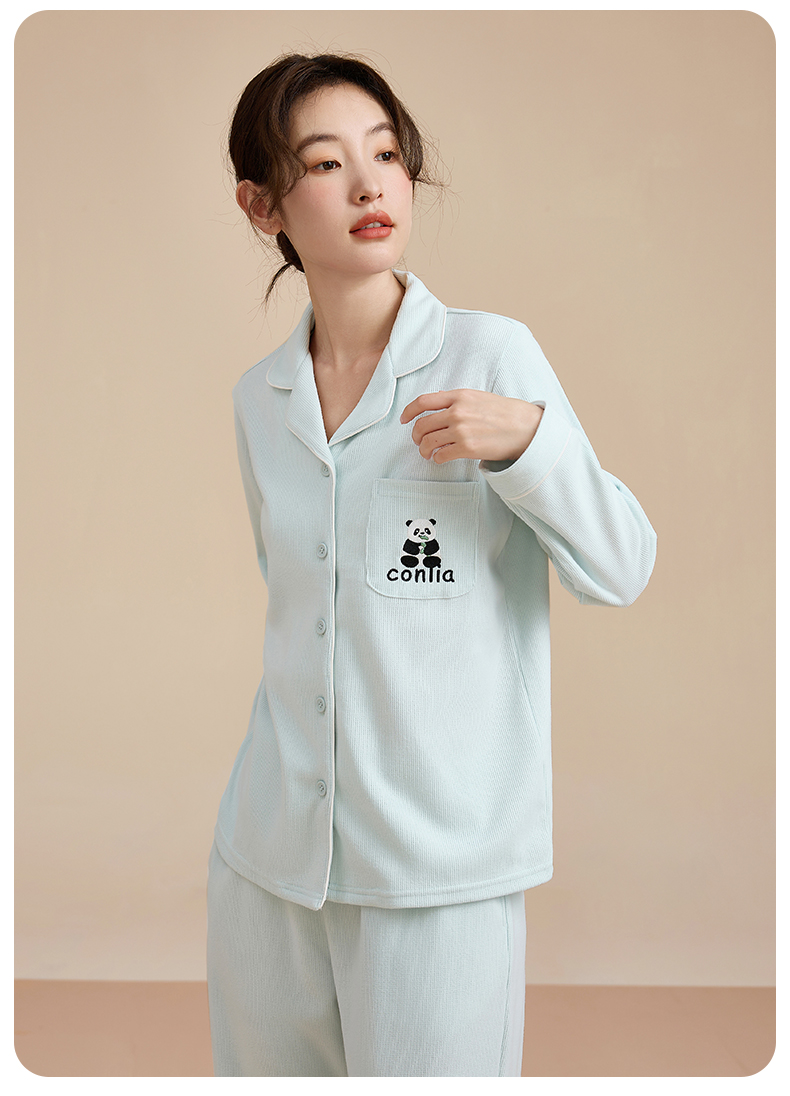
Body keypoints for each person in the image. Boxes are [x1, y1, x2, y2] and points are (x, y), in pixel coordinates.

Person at [206, 52, 656, 1078]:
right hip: (269, 863)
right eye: (326, 164)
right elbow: (302, 611)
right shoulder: (259, 399)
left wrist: (530, 442)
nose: (369, 186)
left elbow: (622, 565)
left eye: (386, 155)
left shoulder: (491, 357)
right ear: (263, 205)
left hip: (438, 871)